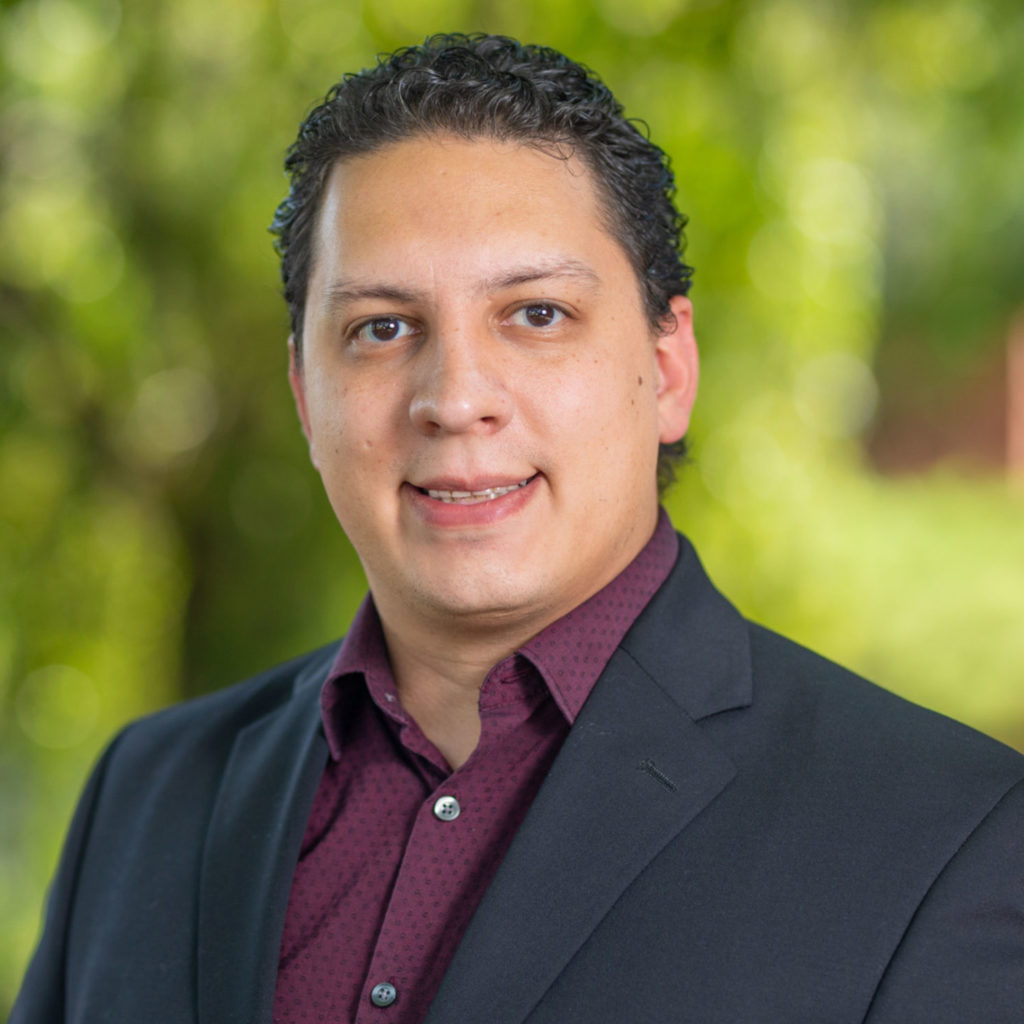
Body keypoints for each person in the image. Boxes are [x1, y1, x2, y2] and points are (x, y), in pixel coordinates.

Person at [12, 34, 1024, 1024]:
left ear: (668, 370)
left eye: (536, 314)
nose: (455, 400)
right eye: (381, 328)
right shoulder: (147, 797)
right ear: (304, 395)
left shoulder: (945, 839)